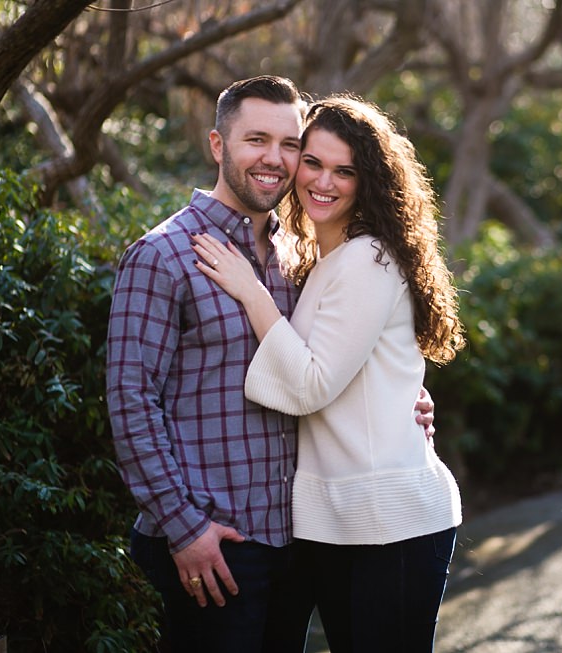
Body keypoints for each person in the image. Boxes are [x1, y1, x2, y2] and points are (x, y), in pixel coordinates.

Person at [106, 77, 435, 653]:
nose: (274, 159)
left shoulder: (297, 260)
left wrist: (405, 399)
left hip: (297, 543)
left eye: (290, 144)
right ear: (217, 144)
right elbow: (130, 402)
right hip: (214, 544)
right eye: (256, 140)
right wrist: (183, 528)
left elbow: (335, 362)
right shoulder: (163, 255)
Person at [190, 94, 465, 652]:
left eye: (344, 171)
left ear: (369, 182)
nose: (323, 181)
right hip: (338, 521)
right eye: (312, 162)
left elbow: (312, 383)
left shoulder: (368, 258)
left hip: (390, 520)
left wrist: (250, 292)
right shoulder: (320, 259)